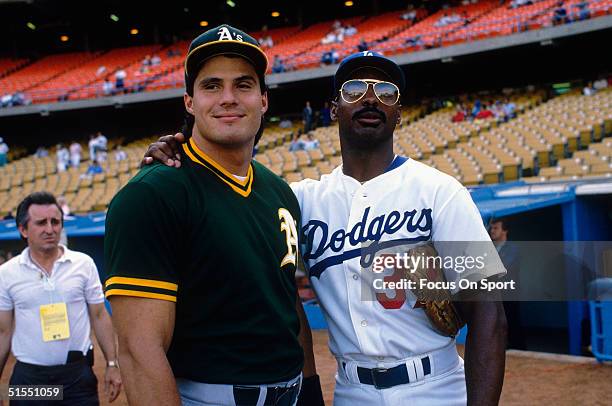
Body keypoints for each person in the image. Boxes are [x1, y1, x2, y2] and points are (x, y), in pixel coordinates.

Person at [144, 51, 508, 405]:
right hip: (352, 390)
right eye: (353, 91)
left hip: (437, 386)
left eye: (386, 93)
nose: (370, 99)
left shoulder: (441, 191)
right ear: (334, 108)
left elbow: (489, 312)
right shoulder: (302, 199)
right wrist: (179, 152)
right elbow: (283, 293)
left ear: (398, 114)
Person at [104, 24, 323, 406]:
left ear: (264, 100)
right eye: (211, 86)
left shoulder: (280, 191)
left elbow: (287, 302)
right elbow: (140, 353)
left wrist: (311, 390)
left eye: (243, 85)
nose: (228, 98)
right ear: (189, 101)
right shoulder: (151, 195)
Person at [0, 192, 122, 405]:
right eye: (41, 223)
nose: (50, 229)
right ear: (23, 229)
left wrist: (112, 363)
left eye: (55, 222)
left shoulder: (83, 264)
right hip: (30, 382)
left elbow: (100, 315)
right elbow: (3, 331)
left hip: (76, 379)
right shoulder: (7, 273)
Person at [489, 218, 525, 351]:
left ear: (505, 230)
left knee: (512, 322)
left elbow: (503, 268)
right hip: (494, 294)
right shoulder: (489, 249)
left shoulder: (513, 249)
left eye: (496, 228)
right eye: (491, 228)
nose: (492, 231)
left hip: (509, 294)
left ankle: (519, 349)